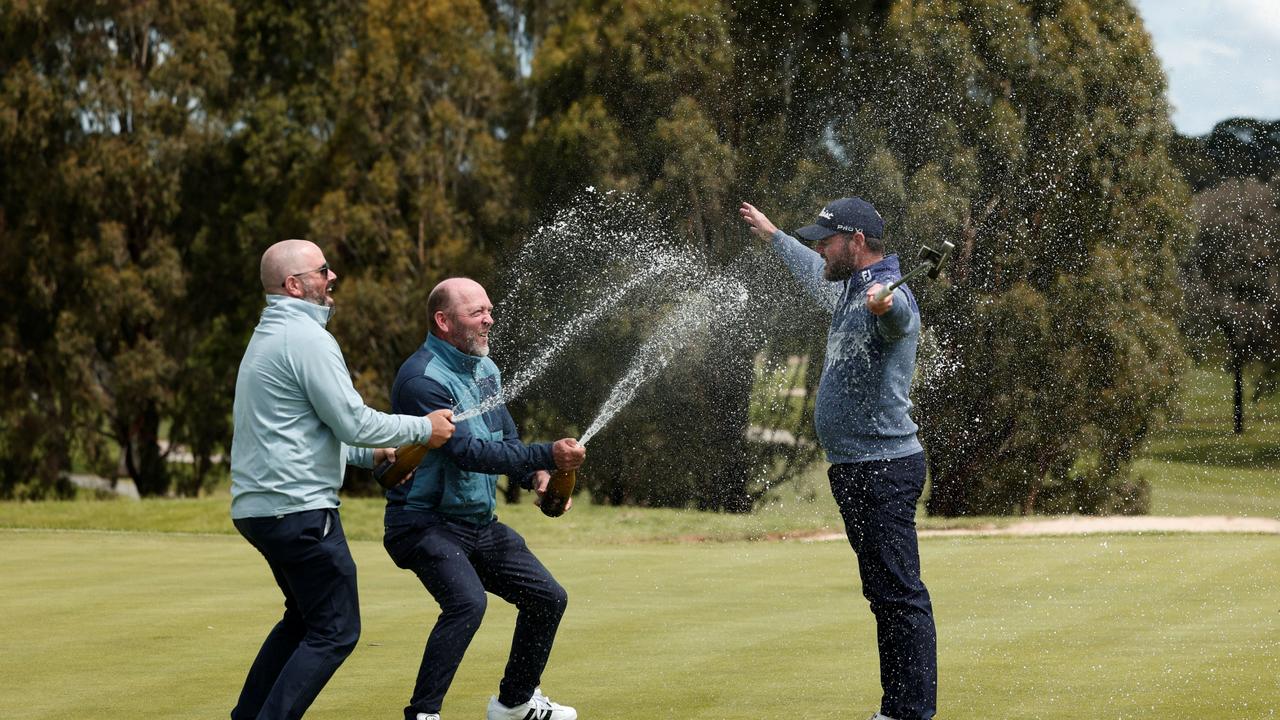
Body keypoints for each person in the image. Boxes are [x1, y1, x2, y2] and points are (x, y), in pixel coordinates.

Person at [230, 239, 456, 720]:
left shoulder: (270, 334)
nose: (332, 277)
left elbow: (318, 429)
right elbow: (352, 419)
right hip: (299, 511)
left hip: (263, 510)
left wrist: (373, 452)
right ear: (294, 285)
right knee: (335, 630)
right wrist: (423, 427)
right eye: (322, 270)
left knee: (303, 620)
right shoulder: (307, 338)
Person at [740, 198, 938, 720]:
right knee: (883, 596)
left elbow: (900, 321)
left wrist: (885, 307)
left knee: (900, 595)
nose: (819, 249)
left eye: (826, 241)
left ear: (855, 242)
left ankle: (910, 713)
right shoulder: (847, 287)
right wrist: (774, 235)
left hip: (884, 468)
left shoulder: (890, 295)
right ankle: (895, 709)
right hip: (854, 468)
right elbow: (812, 271)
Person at [382, 277, 586, 720]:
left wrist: (539, 475)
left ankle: (514, 703)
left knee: (548, 598)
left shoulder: (486, 369)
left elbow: (504, 437)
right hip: (423, 523)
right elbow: (467, 453)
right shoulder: (422, 379)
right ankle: (423, 714)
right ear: (443, 321)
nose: (489, 319)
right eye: (477, 313)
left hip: (478, 524)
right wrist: (546, 452)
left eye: (489, 310)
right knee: (467, 602)